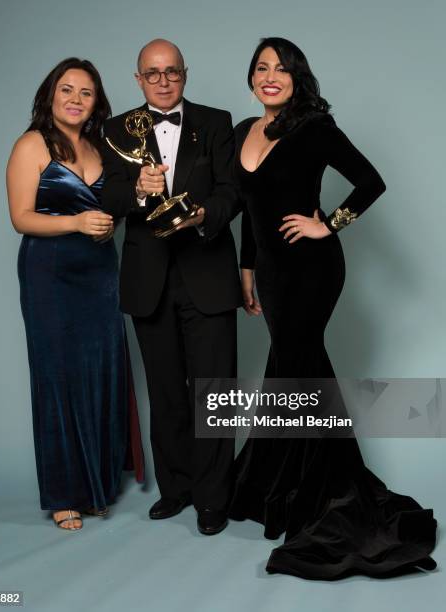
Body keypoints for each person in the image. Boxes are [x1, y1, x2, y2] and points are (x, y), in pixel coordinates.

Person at [229, 37, 437, 578]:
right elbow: (250, 213)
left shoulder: (314, 129)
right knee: (291, 370)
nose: (270, 76)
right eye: (261, 68)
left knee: (299, 369)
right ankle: (282, 487)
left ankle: (326, 494)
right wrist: (247, 270)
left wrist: (328, 224)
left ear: (297, 78)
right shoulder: (240, 134)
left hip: (312, 270)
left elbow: (371, 182)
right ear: (250, 78)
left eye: (282, 68)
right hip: (271, 276)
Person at [101, 39, 242, 535]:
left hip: (208, 273)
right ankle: (176, 488)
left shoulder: (216, 121)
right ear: (138, 79)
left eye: (172, 72)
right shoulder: (115, 129)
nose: (163, 81)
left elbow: (232, 191)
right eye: (152, 73)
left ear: (185, 74)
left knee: (215, 395)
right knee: (166, 394)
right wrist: (138, 189)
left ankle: (213, 498)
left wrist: (205, 215)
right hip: (149, 280)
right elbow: (106, 194)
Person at [7, 57, 144, 531]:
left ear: (96, 102)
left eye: (85, 93)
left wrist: (112, 220)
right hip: (51, 274)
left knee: (100, 374)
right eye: (66, 90)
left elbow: (109, 207)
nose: (75, 100)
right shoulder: (31, 144)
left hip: (101, 272)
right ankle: (65, 494)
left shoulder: (100, 147)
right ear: (50, 95)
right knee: (57, 377)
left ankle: (98, 486)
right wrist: (76, 223)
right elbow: (21, 217)